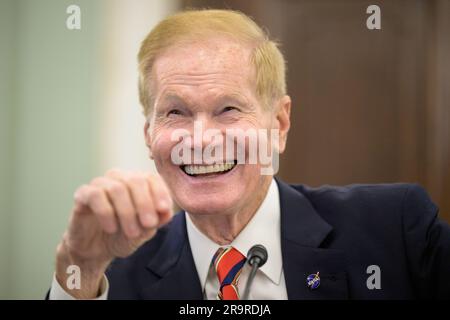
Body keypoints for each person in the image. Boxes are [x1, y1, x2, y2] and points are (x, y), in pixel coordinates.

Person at [48, 9, 450, 300]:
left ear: (279, 124)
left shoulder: (396, 232)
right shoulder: (110, 277)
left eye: (228, 109)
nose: (201, 139)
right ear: (149, 136)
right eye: (175, 112)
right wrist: (79, 269)